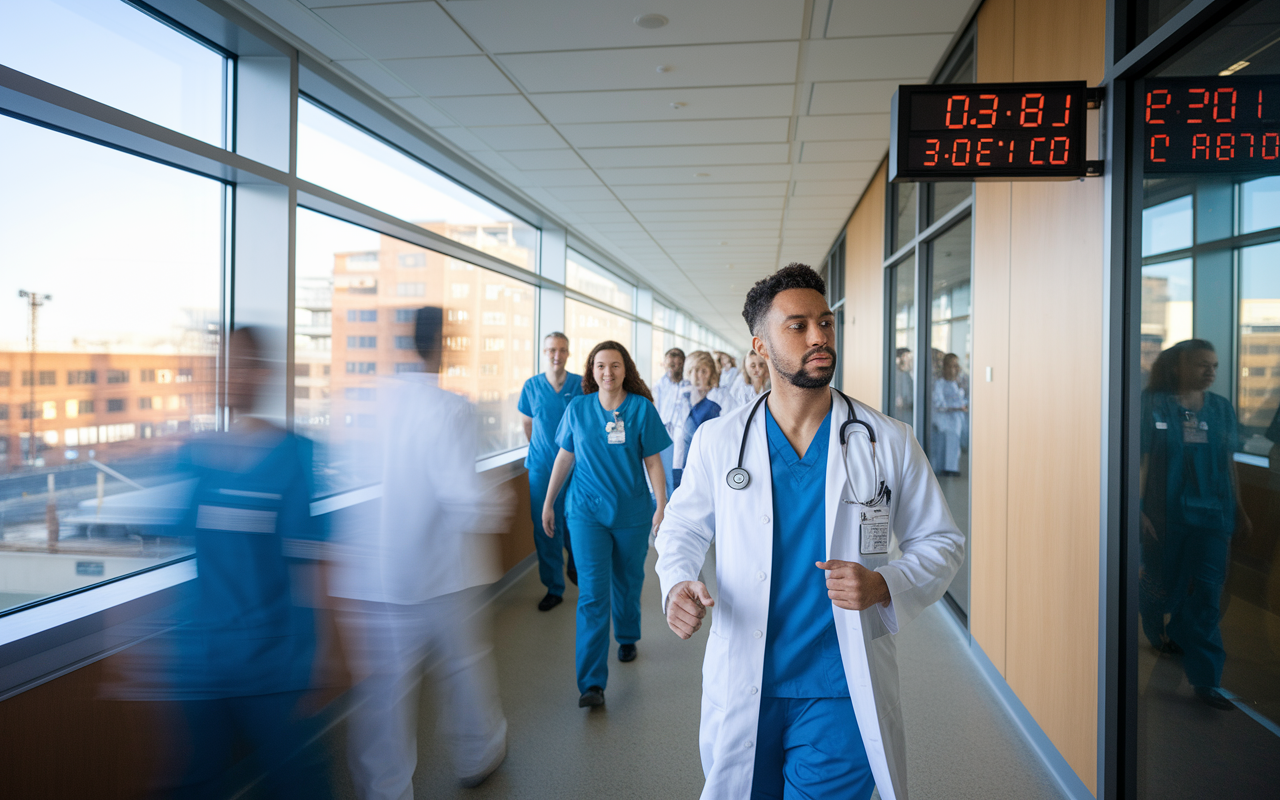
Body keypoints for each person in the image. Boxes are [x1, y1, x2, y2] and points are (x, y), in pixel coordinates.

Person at [655, 263, 964, 800]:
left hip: (840, 689)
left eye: (826, 322)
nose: (819, 336)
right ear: (760, 345)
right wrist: (677, 580)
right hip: (747, 681)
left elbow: (941, 541)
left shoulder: (886, 441)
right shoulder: (718, 440)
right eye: (798, 326)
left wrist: (884, 582)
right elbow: (681, 526)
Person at [331, 307, 508, 797]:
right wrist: (495, 500)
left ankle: (386, 789)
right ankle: (479, 752)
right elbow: (462, 495)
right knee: (465, 666)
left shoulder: (366, 403)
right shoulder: (448, 407)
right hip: (439, 574)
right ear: (440, 344)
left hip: (369, 576)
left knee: (384, 695)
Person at [161, 326, 332, 800]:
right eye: (222, 363)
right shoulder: (194, 456)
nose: (228, 375)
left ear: (263, 374)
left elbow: (307, 567)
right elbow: (174, 552)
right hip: (202, 659)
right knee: (195, 781)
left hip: (272, 662)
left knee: (299, 781)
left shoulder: (294, 455)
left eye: (240, 363)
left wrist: (317, 654)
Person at [542, 341, 671, 708]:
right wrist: (549, 503)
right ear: (591, 370)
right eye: (601, 366)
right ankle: (592, 684)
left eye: (615, 366)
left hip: (631, 513)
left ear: (625, 369)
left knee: (629, 582)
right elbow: (564, 458)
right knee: (593, 595)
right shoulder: (578, 408)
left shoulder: (641, 410)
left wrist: (662, 505)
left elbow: (653, 463)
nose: (607, 373)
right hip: (585, 513)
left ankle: (627, 634)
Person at [1138, 339, 1251, 711]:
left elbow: (1228, 461)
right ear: (1177, 367)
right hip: (1165, 514)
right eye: (1203, 364)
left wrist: (1238, 508)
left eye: (1215, 366)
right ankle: (1155, 625)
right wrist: (1136, 511)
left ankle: (1206, 681)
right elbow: (1140, 461)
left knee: (1206, 593)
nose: (1211, 372)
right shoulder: (1152, 404)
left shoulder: (1220, 408)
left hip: (1212, 517)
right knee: (1161, 586)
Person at [519, 332, 582, 611]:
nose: (557, 355)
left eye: (562, 350)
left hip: (576, 467)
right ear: (544, 352)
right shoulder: (531, 386)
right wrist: (545, 449)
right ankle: (554, 587)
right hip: (541, 467)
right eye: (551, 350)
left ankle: (575, 565)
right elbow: (528, 425)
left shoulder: (580, 385)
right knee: (545, 527)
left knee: (575, 520)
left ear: (568, 353)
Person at [673, 351, 723, 491]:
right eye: (691, 371)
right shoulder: (681, 399)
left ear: (711, 374)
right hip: (682, 465)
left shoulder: (720, 400)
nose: (696, 377)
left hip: (711, 467)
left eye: (703, 371)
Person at [653, 348, 689, 500]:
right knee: (665, 471)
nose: (675, 367)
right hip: (663, 434)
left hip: (684, 435)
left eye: (679, 363)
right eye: (671, 363)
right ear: (665, 364)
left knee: (682, 472)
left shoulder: (689, 384)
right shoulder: (659, 386)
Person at [930, 353, 967, 476]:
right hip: (944, 424)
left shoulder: (955, 384)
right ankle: (948, 469)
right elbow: (940, 404)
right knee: (947, 449)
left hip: (956, 423)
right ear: (945, 368)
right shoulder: (939, 384)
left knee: (955, 448)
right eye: (953, 366)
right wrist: (957, 408)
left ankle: (952, 468)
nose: (956, 370)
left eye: (957, 366)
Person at [892, 348, 914, 424]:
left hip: (909, 415)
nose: (910, 360)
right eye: (908, 356)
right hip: (900, 416)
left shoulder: (907, 374)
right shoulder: (896, 374)